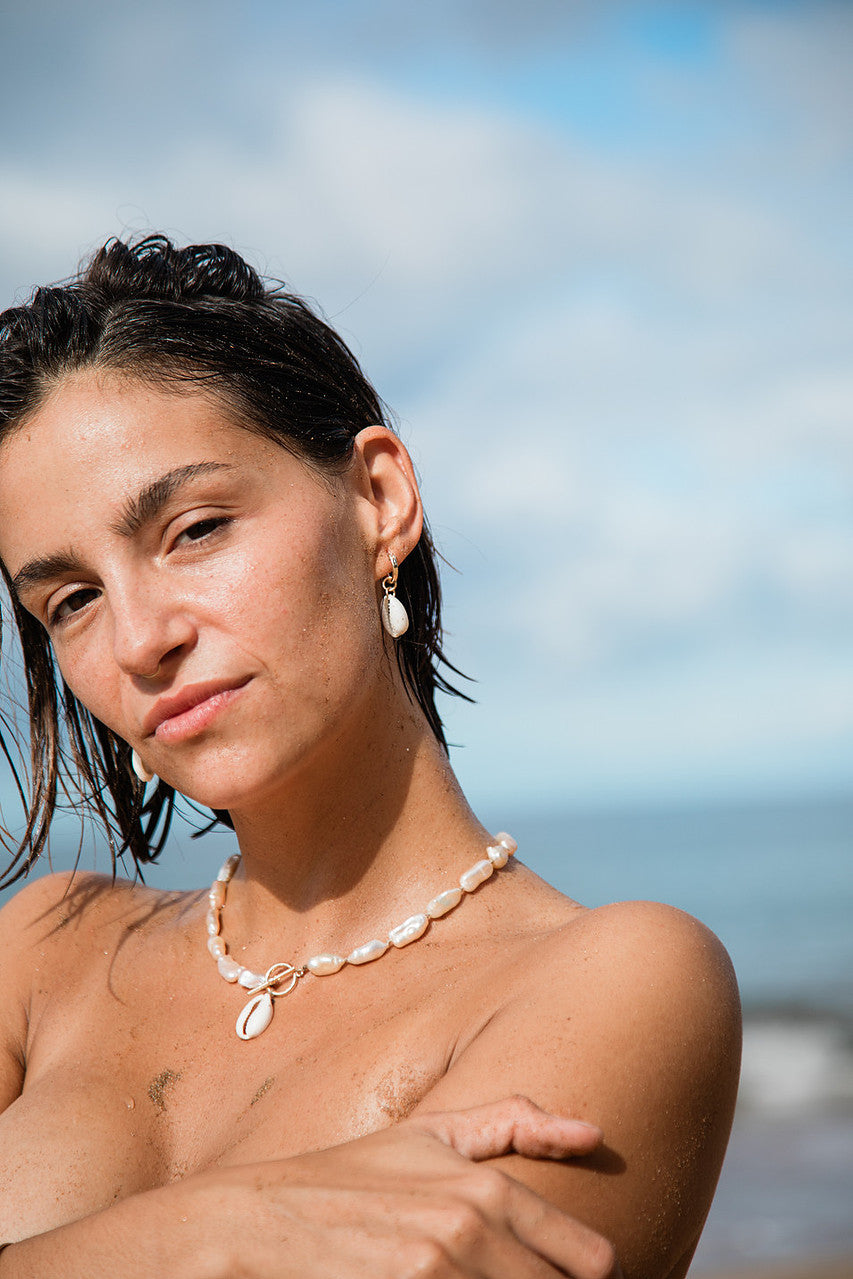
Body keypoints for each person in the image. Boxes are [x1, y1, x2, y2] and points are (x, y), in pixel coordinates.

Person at [0, 236, 740, 1278]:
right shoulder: (42, 954)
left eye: (196, 529)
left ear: (378, 500)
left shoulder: (619, 980)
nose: (138, 640)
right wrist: (204, 1232)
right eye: (70, 600)